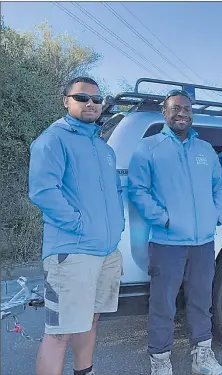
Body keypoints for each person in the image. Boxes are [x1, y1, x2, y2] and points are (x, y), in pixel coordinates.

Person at [127, 89, 222, 375]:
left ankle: (203, 358)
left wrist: (215, 214)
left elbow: (219, 186)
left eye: (186, 108)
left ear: (192, 113)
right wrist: (163, 219)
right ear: (165, 112)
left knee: (201, 301)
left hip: (203, 242)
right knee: (163, 305)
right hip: (166, 242)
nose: (182, 113)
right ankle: (160, 362)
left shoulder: (205, 150)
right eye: (175, 108)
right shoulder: (149, 147)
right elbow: (137, 189)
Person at [28, 76, 125, 375]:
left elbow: (114, 193)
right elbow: (43, 191)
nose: (91, 103)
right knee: (59, 333)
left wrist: (116, 227)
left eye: (97, 99)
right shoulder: (53, 139)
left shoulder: (103, 148)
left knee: (90, 320)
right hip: (73, 251)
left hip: (107, 251)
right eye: (82, 98)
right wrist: (79, 224)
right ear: (66, 100)